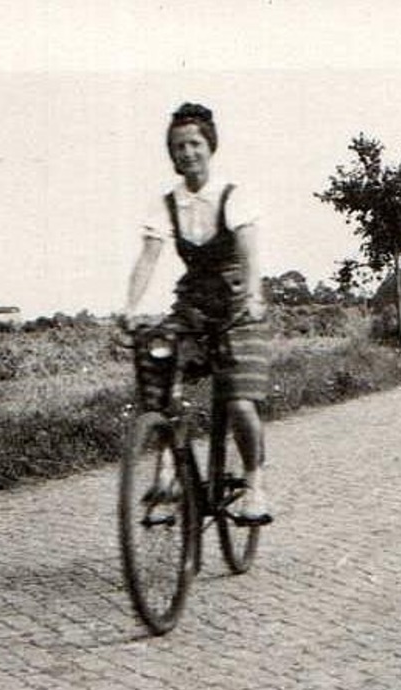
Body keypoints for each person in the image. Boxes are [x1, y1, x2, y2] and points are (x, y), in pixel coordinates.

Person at [120, 102, 273, 524]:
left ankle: (255, 485)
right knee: (158, 364)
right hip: (193, 306)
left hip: (238, 305)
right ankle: (167, 467)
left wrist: (255, 295)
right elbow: (148, 257)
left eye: (194, 144)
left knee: (241, 402)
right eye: (178, 146)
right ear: (171, 154)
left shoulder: (233, 197)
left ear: (210, 146)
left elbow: (249, 254)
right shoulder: (166, 203)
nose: (187, 153)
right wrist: (131, 307)